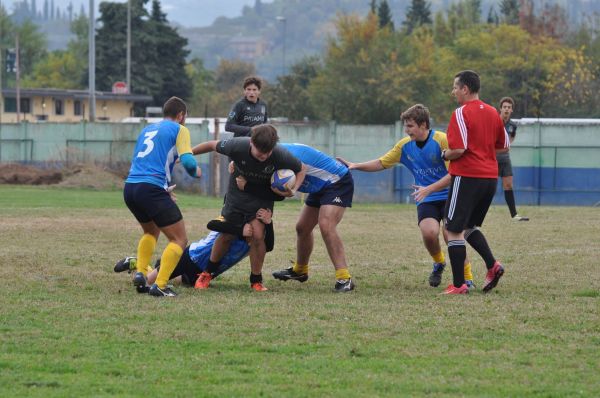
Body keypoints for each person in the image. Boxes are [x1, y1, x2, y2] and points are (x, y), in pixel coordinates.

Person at [337, 104, 474, 289]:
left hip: (450, 194)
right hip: (426, 197)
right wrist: (355, 166)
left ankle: (467, 277)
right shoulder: (405, 146)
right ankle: (439, 262)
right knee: (429, 233)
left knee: (451, 235)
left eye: (410, 126)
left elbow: (454, 174)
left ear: (423, 125)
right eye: (406, 126)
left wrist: (429, 189)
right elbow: (381, 163)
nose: (406, 130)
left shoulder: (442, 140)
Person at [191, 124, 305, 291]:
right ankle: (207, 273)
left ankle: (256, 280)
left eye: (268, 153)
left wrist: (293, 190)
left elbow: (302, 169)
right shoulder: (238, 145)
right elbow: (210, 145)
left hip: (261, 198)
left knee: (258, 235)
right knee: (227, 235)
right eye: (260, 152)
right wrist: (188, 154)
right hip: (237, 195)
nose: (264, 156)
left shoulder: (280, 154)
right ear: (251, 142)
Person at [239, 143, 357, 292]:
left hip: (337, 180)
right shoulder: (265, 151)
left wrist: (290, 190)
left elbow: (302, 169)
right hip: (319, 184)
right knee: (302, 228)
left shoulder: (285, 158)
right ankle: (300, 270)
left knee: (326, 225)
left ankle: (344, 278)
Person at [123, 96, 201, 297]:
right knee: (179, 239)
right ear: (181, 115)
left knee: (151, 231)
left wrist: (164, 187)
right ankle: (161, 285)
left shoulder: (147, 129)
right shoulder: (180, 129)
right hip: (151, 189)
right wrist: (197, 172)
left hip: (131, 187)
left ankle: (141, 273)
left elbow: (146, 162)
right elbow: (189, 163)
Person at [441, 70, 510, 294]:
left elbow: (458, 150)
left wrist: (444, 154)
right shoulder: (492, 112)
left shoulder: (461, 113)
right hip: (489, 178)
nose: (453, 92)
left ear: (465, 89)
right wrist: (484, 151)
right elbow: (504, 145)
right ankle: (492, 265)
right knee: (469, 227)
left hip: (467, 176)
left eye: (455, 87)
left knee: (452, 229)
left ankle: (459, 284)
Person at [114, 209, 274, 286]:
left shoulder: (257, 240)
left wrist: (269, 223)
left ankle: (141, 264)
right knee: (146, 283)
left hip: (205, 273)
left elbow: (269, 246)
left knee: (174, 278)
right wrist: (240, 229)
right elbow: (212, 224)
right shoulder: (234, 220)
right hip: (190, 258)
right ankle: (139, 266)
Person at [498, 97, 529, 221]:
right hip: (492, 158)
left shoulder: (512, 126)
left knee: (509, 185)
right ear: (500, 109)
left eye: (509, 107)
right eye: (504, 107)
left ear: (512, 110)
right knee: (486, 187)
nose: (506, 109)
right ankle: (476, 213)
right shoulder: (494, 122)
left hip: (505, 158)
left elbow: (510, 139)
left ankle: (514, 215)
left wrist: (507, 146)